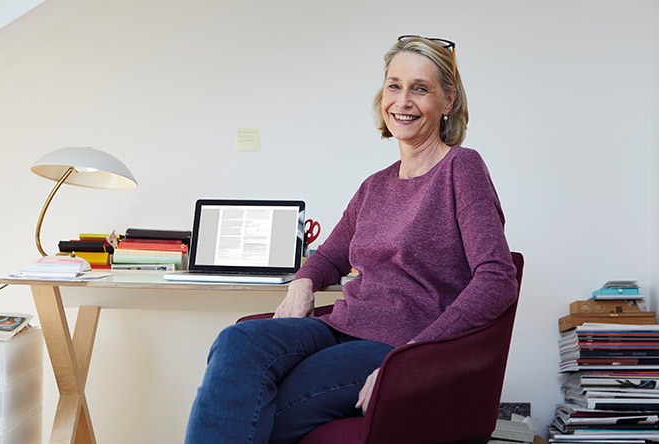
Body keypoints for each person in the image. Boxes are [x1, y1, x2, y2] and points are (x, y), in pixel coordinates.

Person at [184, 35, 518, 444]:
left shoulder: (461, 168)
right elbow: (327, 257)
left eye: (421, 88)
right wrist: (302, 284)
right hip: (341, 326)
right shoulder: (374, 186)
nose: (403, 101)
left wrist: (408, 358)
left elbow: (497, 279)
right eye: (394, 85)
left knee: (262, 405)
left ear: (447, 101)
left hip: (396, 343)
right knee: (237, 342)